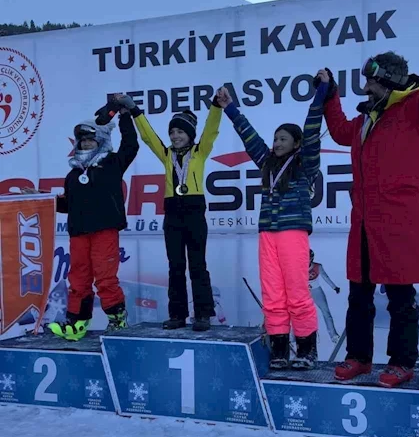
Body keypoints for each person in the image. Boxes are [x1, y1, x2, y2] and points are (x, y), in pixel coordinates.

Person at [316, 14, 419, 387]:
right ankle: (359, 357)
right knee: (359, 295)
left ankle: (402, 362)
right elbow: (339, 131)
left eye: (370, 80)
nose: (366, 87)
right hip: (364, 221)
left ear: (387, 79)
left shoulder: (417, 108)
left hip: (398, 221)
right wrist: (331, 94)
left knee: (400, 297)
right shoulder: (366, 119)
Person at [216, 81, 329, 369]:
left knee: (297, 294)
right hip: (268, 235)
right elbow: (248, 135)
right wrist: (229, 107)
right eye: (275, 138)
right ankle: (280, 351)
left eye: (283, 139)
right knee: (273, 295)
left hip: (293, 234)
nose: (277, 143)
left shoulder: (304, 165)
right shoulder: (267, 164)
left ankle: (307, 351)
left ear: (296, 143)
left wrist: (321, 94)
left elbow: (312, 130)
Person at [114, 92, 223, 331]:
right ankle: (177, 315)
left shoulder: (200, 151)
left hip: (194, 213)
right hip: (172, 214)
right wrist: (134, 110)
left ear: (190, 135)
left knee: (198, 266)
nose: (175, 136)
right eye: (172, 132)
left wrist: (216, 105)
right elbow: (148, 136)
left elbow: (211, 129)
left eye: (180, 131)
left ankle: (203, 314)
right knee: (175, 267)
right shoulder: (166, 155)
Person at [46, 101, 139, 340]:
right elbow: (67, 204)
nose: (86, 143)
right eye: (82, 140)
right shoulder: (73, 174)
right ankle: (76, 323)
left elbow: (131, 144)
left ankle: (117, 320)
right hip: (79, 233)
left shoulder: (113, 163)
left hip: (104, 230)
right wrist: (42, 199)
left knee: (105, 277)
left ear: (101, 141)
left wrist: (125, 115)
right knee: (78, 278)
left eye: (91, 139)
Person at [309, 250, 341, 343]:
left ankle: (334, 336)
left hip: (316, 291)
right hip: (303, 292)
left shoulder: (317, 266)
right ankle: (293, 337)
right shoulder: (299, 267)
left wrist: (334, 287)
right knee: (298, 314)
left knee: (326, 312)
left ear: (311, 258)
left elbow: (325, 277)